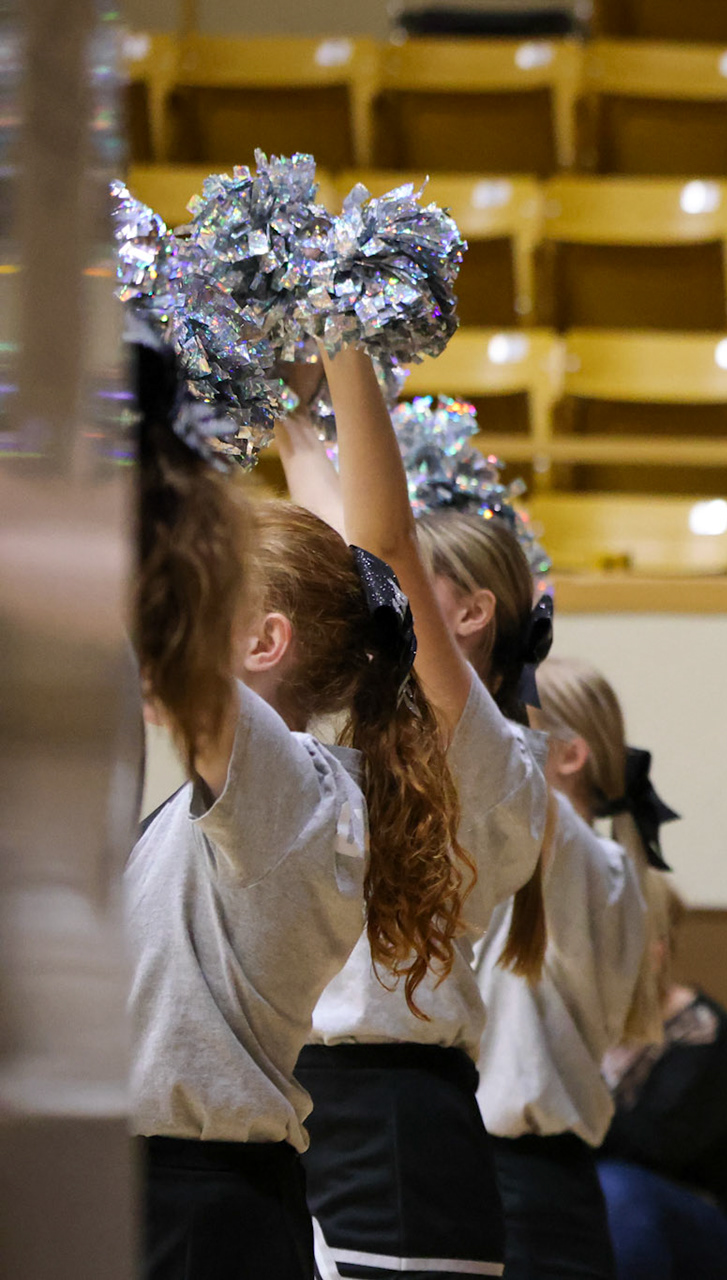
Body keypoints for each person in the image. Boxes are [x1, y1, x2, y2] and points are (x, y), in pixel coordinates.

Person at [129, 340, 468, 1280]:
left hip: (199, 1211)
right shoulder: (283, 785)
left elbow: (167, 642)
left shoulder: (294, 789)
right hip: (174, 1195)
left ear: (264, 639)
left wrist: (156, 440)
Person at [281, 348, 551, 1280]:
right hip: (309, 1107)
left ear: (471, 613)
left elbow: (382, 550)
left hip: (392, 1131)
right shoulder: (371, 726)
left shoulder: (487, 750)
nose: (373, 596)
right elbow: (352, 555)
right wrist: (282, 409)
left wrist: (346, 329)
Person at [476, 657, 668, 1280]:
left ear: (568, 756)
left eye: (513, 726)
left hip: (531, 1195)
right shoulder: (519, 864)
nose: (494, 740)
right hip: (493, 1180)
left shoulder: (596, 865)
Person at [597, 883, 727, 1280]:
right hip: (606, 1214)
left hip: (715, 1232)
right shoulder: (577, 1024)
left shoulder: (704, 1032)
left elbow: (653, 1147)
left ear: (658, 948)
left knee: (618, 1189)